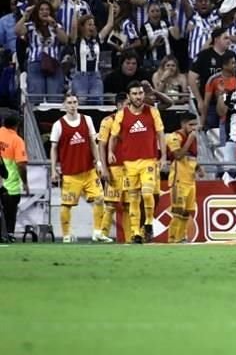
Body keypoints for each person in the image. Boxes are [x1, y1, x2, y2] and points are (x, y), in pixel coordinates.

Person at [108, 82, 166, 244]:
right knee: (133, 199)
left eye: (140, 93)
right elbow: (113, 137)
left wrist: (163, 157)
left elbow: (161, 134)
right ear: (129, 96)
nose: (138, 97)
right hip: (129, 163)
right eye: (134, 94)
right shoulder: (122, 114)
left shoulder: (152, 111)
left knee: (147, 193)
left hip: (148, 160)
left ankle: (148, 223)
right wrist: (110, 152)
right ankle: (135, 233)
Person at [50, 93, 109, 243]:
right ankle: (66, 235)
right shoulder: (58, 125)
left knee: (100, 199)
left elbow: (92, 142)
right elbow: (54, 148)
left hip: (89, 171)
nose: (72, 105)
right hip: (70, 173)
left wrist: (99, 162)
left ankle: (97, 232)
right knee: (67, 205)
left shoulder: (87, 120)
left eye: (75, 102)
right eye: (69, 102)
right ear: (64, 105)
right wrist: (53, 170)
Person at [96, 93, 131, 242]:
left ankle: (130, 238)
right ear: (118, 105)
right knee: (111, 202)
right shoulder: (108, 121)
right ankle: (102, 234)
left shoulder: (132, 121)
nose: (128, 107)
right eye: (125, 104)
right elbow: (101, 145)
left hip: (131, 167)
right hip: (115, 168)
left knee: (130, 204)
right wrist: (104, 168)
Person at [166, 113, 204, 244]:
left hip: (190, 180)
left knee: (186, 212)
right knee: (178, 211)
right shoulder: (174, 137)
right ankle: (172, 238)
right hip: (179, 180)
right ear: (183, 124)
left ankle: (181, 237)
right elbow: (178, 156)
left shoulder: (192, 138)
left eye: (195, 124)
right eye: (191, 125)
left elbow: (191, 157)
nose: (194, 128)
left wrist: (198, 168)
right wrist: (189, 140)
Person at [0, 113, 28, 243]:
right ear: (17, 126)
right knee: (10, 213)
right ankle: (9, 234)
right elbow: (21, 165)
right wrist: (25, 183)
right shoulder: (17, 141)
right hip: (10, 186)